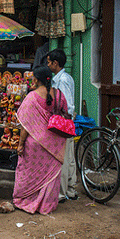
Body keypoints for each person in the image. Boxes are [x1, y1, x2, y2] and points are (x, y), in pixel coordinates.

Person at [13, 66, 67, 214]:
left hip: (34, 142)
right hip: (55, 143)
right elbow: (65, 114)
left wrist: (20, 144)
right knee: (50, 175)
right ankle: (46, 206)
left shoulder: (32, 97)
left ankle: (27, 201)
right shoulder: (60, 95)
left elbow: (25, 126)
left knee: (29, 173)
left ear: (36, 79)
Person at [47, 49, 78, 202]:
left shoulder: (62, 80)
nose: (48, 65)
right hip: (68, 121)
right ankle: (71, 189)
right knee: (70, 157)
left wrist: (61, 118)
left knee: (63, 158)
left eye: (49, 62)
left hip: (63, 121)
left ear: (55, 63)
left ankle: (61, 193)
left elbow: (64, 103)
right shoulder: (66, 77)